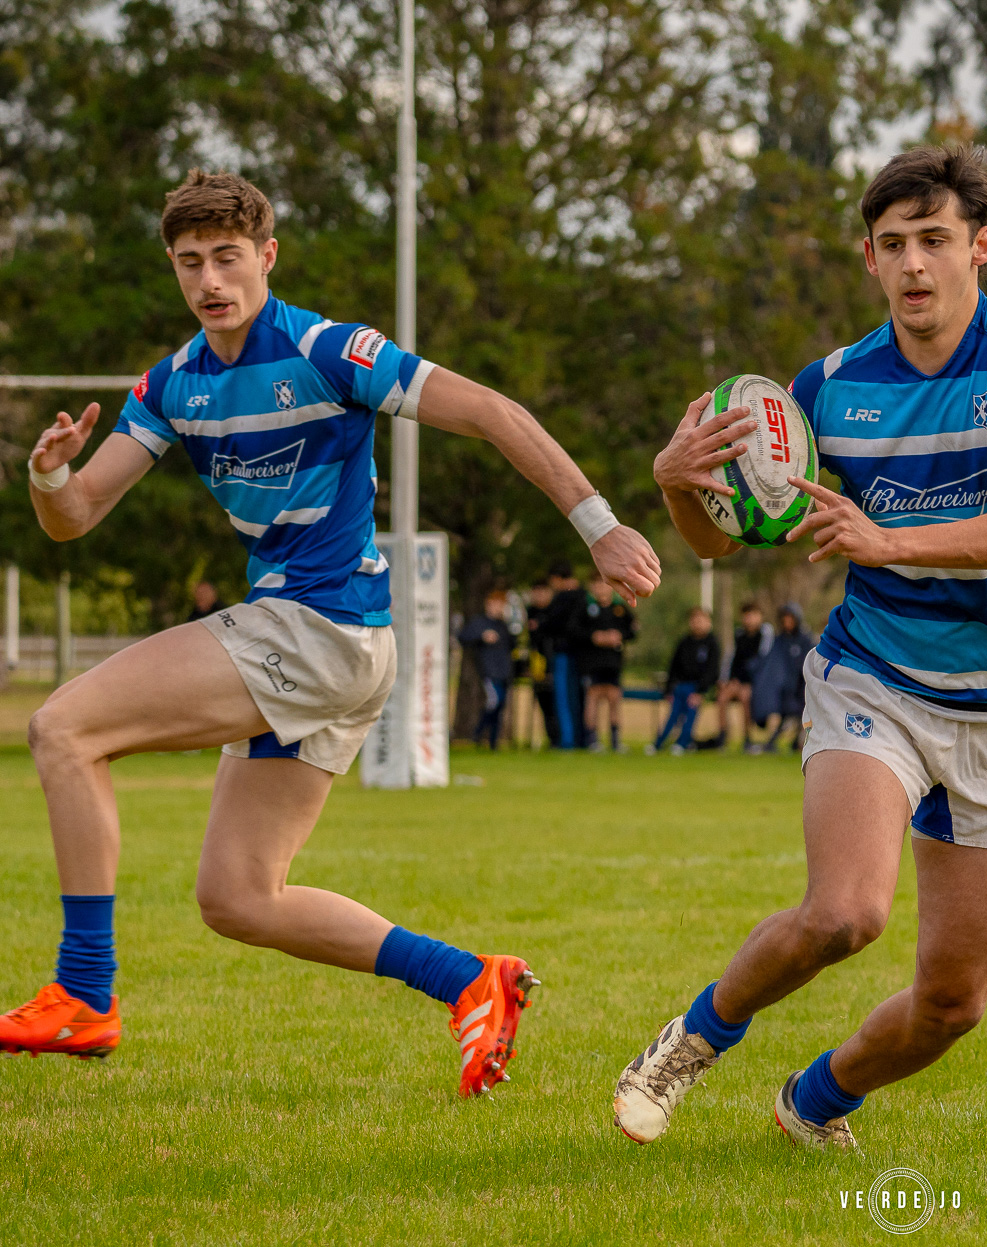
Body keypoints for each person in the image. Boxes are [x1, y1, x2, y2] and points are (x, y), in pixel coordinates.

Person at [0, 170, 661, 1090]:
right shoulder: (173, 385)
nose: (209, 280)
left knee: (63, 728)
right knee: (238, 896)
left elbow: (494, 413)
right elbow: (76, 516)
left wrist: (600, 526)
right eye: (190, 262)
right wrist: (48, 477)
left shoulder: (327, 348)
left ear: (267, 256)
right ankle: (469, 979)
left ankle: (83, 992)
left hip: (320, 627)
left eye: (227, 257)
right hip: (327, 643)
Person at [615, 143, 987, 1150]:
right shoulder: (826, 389)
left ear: (981, 246)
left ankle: (816, 1099)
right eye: (894, 243)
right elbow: (724, 541)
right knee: (845, 912)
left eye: (936, 240)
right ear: (869, 258)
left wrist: (891, 539)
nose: (915, 263)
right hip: (874, 676)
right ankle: (688, 1042)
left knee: (952, 1003)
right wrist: (675, 484)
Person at [571, 573, 635, 754]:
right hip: (592, 663)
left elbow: (632, 631)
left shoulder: (619, 608)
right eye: (597, 584)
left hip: (613, 662)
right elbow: (574, 631)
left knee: (614, 698)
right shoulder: (585, 608)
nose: (601, 588)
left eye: (604, 584)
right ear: (592, 587)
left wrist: (619, 636)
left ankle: (615, 741)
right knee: (593, 698)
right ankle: (592, 740)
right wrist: (594, 637)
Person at [649, 607, 721, 755]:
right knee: (673, 716)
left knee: (690, 716)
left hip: (696, 688)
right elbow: (673, 666)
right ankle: (658, 744)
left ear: (708, 622)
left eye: (701, 620)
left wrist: (701, 691)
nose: (697, 623)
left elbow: (712, 670)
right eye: (694, 620)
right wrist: (669, 689)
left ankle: (682, 743)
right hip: (680, 686)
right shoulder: (684, 642)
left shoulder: (712, 643)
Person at [748, 603, 813, 754]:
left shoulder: (806, 640)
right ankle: (773, 741)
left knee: (800, 711)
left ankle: (798, 741)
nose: (787, 622)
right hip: (784, 689)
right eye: (784, 619)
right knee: (784, 710)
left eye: (790, 619)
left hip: (803, 688)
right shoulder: (779, 641)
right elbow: (771, 664)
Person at [458, 588, 515, 751]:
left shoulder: (503, 625)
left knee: (500, 704)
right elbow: (463, 637)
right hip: (489, 671)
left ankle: (493, 742)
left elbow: (512, 645)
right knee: (494, 702)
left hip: (504, 671)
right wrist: (482, 636)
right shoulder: (479, 622)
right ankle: (478, 732)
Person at [541, 561, 587, 747]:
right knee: (577, 698)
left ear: (556, 579)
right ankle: (580, 739)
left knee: (564, 699)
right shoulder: (585, 596)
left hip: (564, 655)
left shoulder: (563, 599)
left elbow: (551, 624)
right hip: (582, 657)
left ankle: (567, 740)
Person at [716, 600, 772, 750]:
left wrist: (750, 682)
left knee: (745, 698)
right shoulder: (739, 635)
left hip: (754, 682)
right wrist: (726, 679)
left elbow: (763, 662)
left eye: (753, 615)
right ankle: (722, 736)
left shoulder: (765, 635)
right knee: (722, 698)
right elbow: (731, 660)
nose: (749, 619)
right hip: (736, 681)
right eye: (747, 616)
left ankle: (747, 737)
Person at [524, 578, 559, 743]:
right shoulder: (530, 612)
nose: (539, 595)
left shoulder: (555, 612)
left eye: (542, 591)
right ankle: (552, 739)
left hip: (555, 664)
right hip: (537, 664)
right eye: (536, 592)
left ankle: (562, 738)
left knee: (557, 704)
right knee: (544, 703)